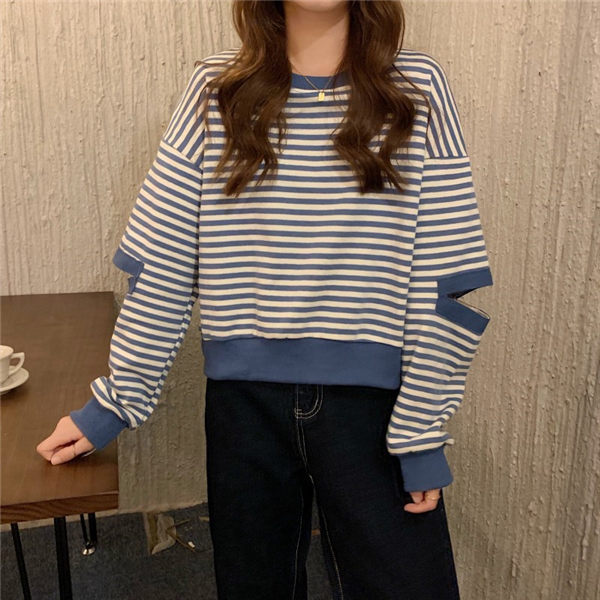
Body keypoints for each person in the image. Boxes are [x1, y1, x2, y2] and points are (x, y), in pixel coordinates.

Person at [37, 1, 493, 598]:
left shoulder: (417, 88)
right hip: (243, 408)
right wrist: (116, 402)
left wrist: (421, 428)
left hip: (376, 411)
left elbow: (447, 273)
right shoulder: (217, 90)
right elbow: (161, 260)